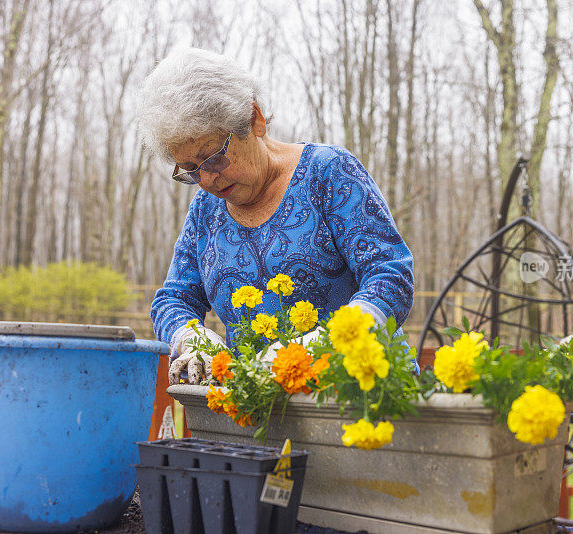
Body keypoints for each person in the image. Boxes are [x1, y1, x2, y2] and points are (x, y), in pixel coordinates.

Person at [140, 48, 413, 385]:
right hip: (259, 407)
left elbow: (390, 276)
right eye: (191, 170)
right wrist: (192, 339)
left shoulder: (328, 174)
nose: (207, 179)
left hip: (359, 395)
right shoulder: (205, 211)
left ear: (254, 120)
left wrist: (325, 344)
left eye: (212, 159)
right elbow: (173, 299)